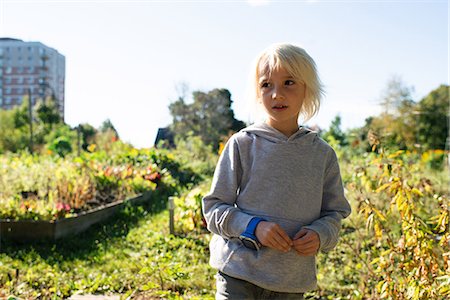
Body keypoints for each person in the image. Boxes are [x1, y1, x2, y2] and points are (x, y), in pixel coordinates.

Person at [202, 43, 352, 300]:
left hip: (290, 281)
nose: (276, 94)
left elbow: (334, 214)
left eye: (289, 83)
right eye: (266, 85)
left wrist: (320, 234)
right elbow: (214, 208)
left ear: (308, 88)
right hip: (238, 272)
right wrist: (253, 227)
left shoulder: (322, 155)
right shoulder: (242, 144)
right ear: (257, 93)